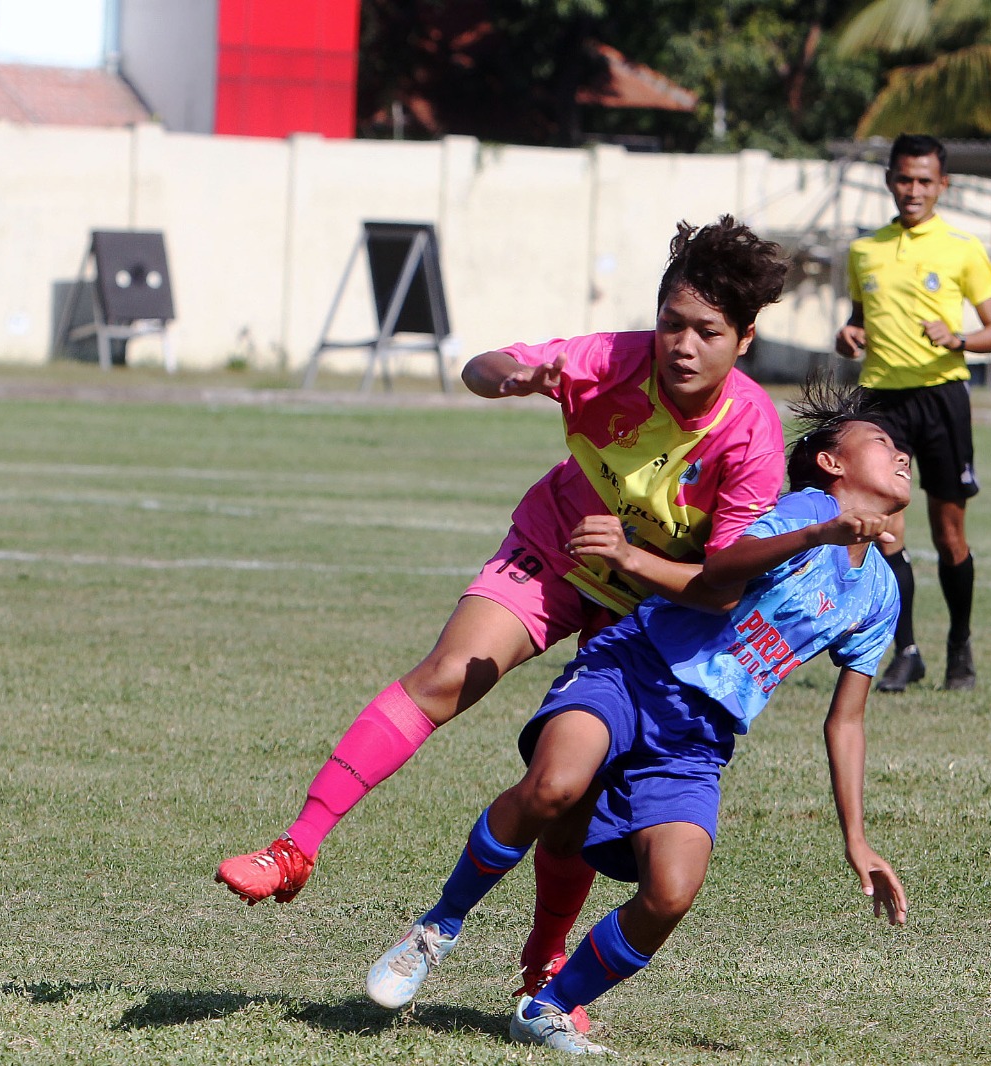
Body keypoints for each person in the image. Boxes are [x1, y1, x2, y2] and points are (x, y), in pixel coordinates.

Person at [215, 216, 791, 1020]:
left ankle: (542, 963)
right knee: (448, 675)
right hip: (557, 546)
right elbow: (481, 367)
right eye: (670, 324)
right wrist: (512, 376)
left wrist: (631, 560)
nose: (682, 346)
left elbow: (720, 590)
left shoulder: (754, 438)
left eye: (707, 332)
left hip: (652, 608)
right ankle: (295, 848)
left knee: (572, 791)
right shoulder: (614, 360)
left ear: (746, 339)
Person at [362, 379, 911, 1056]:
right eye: (881, 441)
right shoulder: (798, 511)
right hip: (633, 667)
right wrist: (818, 531)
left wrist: (856, 838)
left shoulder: (881, 595)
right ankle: (437, 928)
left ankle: (550, 1008)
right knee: (556, 785)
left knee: (672, 893)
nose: (902, 454)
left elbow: (846, 722)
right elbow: (717, 580)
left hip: (698, 736)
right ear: (832, 462)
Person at [834, 132, 991, 694]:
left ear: (943, 185)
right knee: (884, 532)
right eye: (905, 179)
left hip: (941, 398)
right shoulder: (865, 251)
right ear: (890, 180)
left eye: (925, 181)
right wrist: (850, 333)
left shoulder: (962, 248)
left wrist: (958, 336)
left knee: (949, 533)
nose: (914, 190)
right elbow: (859, 317)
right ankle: (905, 650)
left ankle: (959, 645)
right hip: (882, 402)